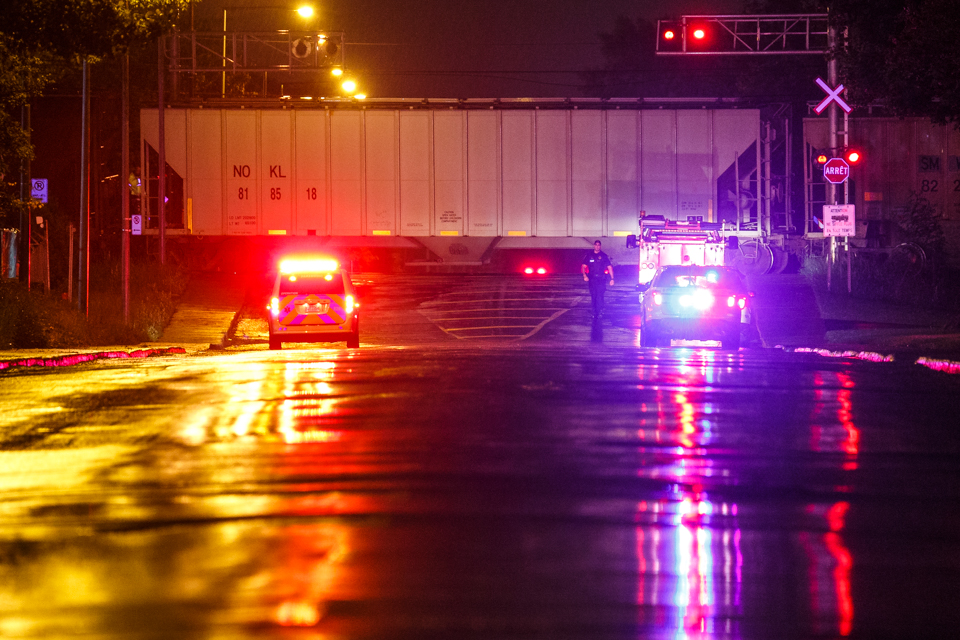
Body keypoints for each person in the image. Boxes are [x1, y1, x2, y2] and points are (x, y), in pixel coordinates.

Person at [581, 240, 614, 320]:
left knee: (600, 296)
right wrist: (584, 275)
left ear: (600, 246)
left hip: (601, 279)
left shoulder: (603, 256)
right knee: (593, 296)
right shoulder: (589, 255)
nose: (597, 246)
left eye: (599, 245)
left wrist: (612, 278)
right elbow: (583, 266)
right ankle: (594, 312)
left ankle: (600, 311)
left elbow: (609, 267)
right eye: (596, 245)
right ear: (594, 246)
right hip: (592, 279)